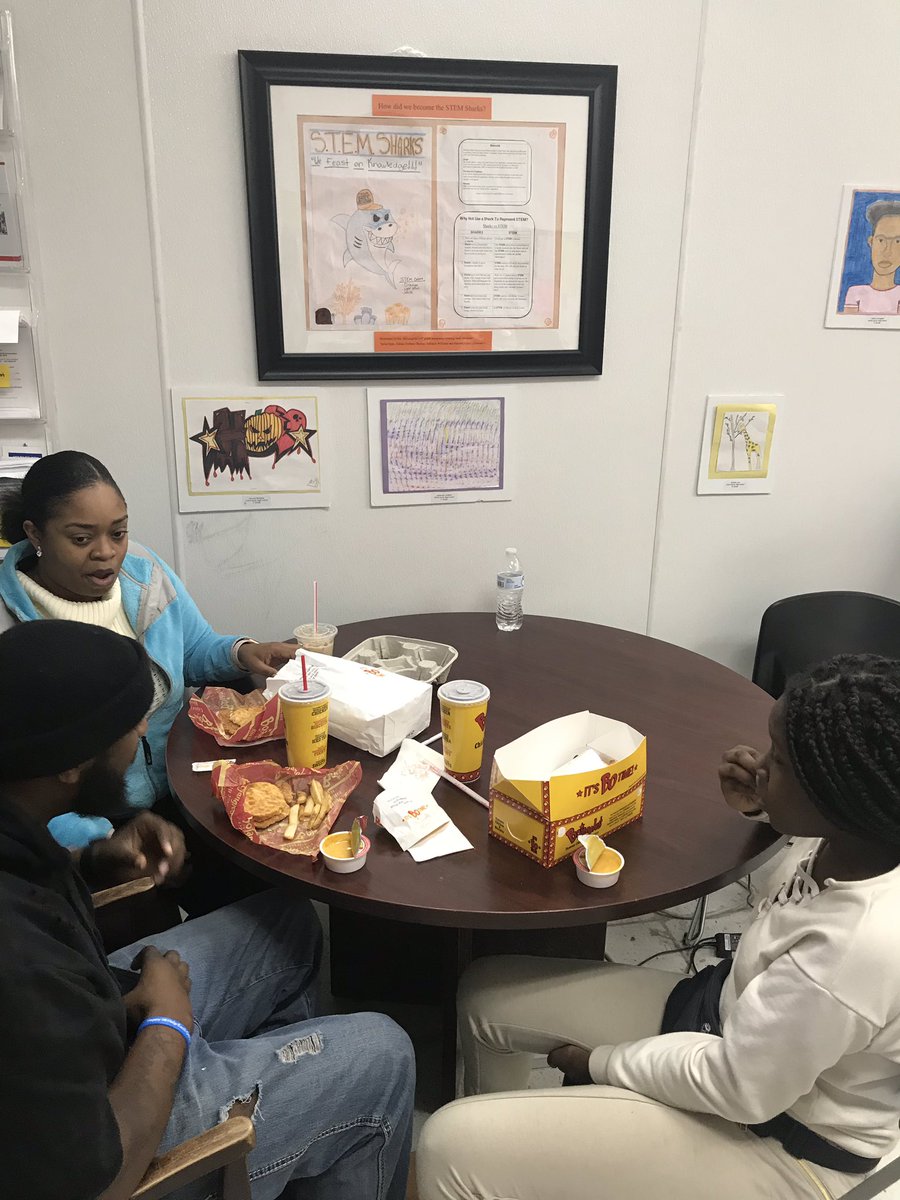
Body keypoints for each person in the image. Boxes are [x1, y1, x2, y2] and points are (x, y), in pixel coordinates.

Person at [417, 654, 900, 1200]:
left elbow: (738, 1087)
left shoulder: (856, 949)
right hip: (727, 1024)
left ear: (839, 795)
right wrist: (766, 809)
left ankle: (487, 1173)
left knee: (447, 1147)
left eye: (781, 762)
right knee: (485, 993)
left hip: (785, 1145)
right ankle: (513, 1173)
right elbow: (782, 924)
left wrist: (602, 1065)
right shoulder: (862, 838)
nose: (760, 765)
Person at [0, 620, 414, 1200]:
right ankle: (260, 1128)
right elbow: (98, 1178)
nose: (144, 728)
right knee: (383, 1052)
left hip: (93, 1021)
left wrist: (94, 862)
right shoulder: (18, 964)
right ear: (69, 763)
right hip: (118, 1130)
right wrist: (169, 1024)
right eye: (129, 720)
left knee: (285, 923)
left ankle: (287, 1133)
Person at [0, 450, 297, 854]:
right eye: (81, 539)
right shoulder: (11, 633)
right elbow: (18, 786)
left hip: (184, 785)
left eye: (118, 533)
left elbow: (192, 648)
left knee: (269, 877)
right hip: (91, 828)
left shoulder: (143, 570)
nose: (107, 553)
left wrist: (242, 652)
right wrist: (97, 844)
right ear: (35, 535)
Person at [843, 198, 900, 315]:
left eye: (897, 241)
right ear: (871, 242)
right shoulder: (855, 293)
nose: (887, 251)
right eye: (881, 240)